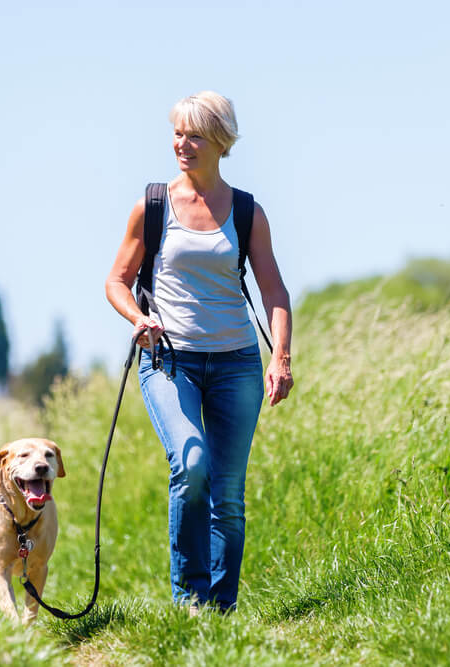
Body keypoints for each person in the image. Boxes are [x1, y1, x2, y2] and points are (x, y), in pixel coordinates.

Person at [104, 91, 294, 613]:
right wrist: (139, 319)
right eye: (177, 133)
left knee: (227, 497)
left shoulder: (248, 211)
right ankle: (189, 601)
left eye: (194, 135)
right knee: (191, 465)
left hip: (236, 363)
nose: (181, 144)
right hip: (171, 361)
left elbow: (274, 292)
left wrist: (281, 357)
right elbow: (117, 281)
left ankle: (220, 612)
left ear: (220, 141)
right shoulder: (154, 204)